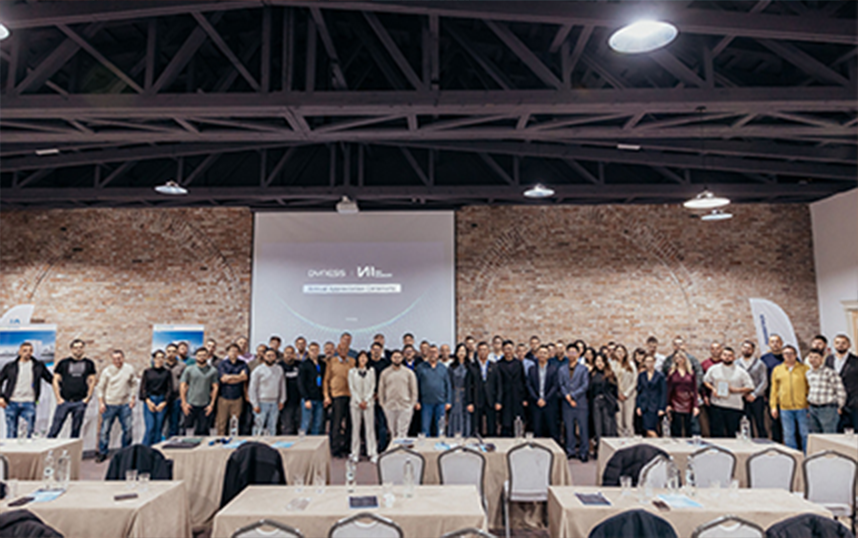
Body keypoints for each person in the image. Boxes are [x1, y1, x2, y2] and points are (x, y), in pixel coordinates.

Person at [0, 342, 53, 438]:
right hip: (11, 402)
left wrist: (67, 385)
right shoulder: (10, 366)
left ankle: (26, 453)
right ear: (19, 352)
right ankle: (11, 453)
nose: (28, 353)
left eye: (30, 351)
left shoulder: (38, 366)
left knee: (29, 433)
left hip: (29, 402)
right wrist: (1, 397)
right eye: (25, 350)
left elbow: (51, 379)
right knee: (11, 432)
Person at [49, 339, 96, 439]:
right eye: (75, 348)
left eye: (80, 347)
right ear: (71, 349)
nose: (78, 350)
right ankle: (47, 450)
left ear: (83, 349)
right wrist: (58, 398)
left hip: (80, 402)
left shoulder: (89, 363)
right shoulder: (63, 363)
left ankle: (73, 454)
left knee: (76, 430)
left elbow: (92, 381)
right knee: (55, 429)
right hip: (64, 401)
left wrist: (87, 398)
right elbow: (55, 380)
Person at [96, 349, 137, 462]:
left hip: (125, 405)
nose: (117, 361)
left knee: (128, 430)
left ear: (123, 358)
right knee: (105, 431)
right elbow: (100, 388)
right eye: (114, 359)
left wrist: (132, 399)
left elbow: (134, 384)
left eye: (119, 358)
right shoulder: (107, 371)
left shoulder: (129, 369)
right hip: (109, 404)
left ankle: (126, 453)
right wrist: (101, 403)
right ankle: (102, 452)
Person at [703, 347, 753, 438]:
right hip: (717, 405)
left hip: (734, 406)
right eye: (725, 355)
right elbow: (706, 381)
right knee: (716, 432)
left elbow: (750, 386)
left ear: (734, 357)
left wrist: (736, 390)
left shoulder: (741, 371)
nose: (727, 357)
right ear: (721, 356)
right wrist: (713, 389)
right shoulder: (713, 369)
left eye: (730, 356)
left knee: (732, 433)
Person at [770, 345, 809, 452]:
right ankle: (793, 457)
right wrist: (773, 406)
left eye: (791, 353)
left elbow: (809, 387)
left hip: (802, 407)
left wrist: (809, 403)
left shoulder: (804, 369)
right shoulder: (777, 370)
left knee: (805, 434)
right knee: (788, 434)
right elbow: (774, 390)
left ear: (796, 355)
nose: (788, 356)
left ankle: (807, 455)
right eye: (786, 354)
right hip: (785, 408)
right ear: (783, 356)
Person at [378, 350, 418, 438]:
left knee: (402, 432)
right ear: (391, 358)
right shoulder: (385, 373)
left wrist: (412, 404)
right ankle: (394, 450)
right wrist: (382, 404)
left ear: (402, 358)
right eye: (395, 357)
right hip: (390, 406)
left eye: (399, 357)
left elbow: (414, 390)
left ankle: (401, 451)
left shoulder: (409, 373)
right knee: (393, 432)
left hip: (405, 406)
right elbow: (381, 390)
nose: (397, 359)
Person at [559, 343, 590, 461]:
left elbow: (585, 385)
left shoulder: (583, 369)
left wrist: (573, 396)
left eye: (574, 352)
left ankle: (583, 452)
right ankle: (570, 450)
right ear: (567, 354)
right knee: (569, 428)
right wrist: (567, 396)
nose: (571, 355)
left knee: (583, 429)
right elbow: (561, 384)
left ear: (578, 354)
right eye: (569, 352)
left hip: (580, 403)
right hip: (566, 404)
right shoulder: (562, 369)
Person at [323, 342, 354, 457]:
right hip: (337, 395)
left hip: (351, 395)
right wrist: (326, 395)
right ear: (337, 350)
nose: (343, 351)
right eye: (340, 349)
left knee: (350, 424)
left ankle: (346, 447)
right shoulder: (332, 362)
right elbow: (326, 380)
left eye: (345, 349)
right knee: (336, 423)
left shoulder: (352, 362)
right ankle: (335, 449)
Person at [806, 349, 846, 434]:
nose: (813, 360)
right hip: (813, 408)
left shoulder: (830, 373)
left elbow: (840, 391)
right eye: (811, 357)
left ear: (822, 359)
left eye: (816, 357)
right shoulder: (808, 373)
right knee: (816, 435)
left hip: (828, 409)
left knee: (829, 436)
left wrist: (840, 406)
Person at [180, 347, 219, 435]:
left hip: (205, 406)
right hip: (190, 405)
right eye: (199, 355)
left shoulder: (213, 371)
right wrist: (184, 403)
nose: (201, 357)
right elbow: (183, 386)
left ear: (208, 356)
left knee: (203, 431)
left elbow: (215, 388)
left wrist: (211, 405)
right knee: (187, 431)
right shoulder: (189, 369)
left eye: (204, 355)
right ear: (195, 357)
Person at [415, 345, 452, 437]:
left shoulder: (443, 368)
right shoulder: (420, 367)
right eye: (430, 352)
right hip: (425, 403)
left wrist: (448, 401)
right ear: (427, 353)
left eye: (435, 352)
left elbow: (448, 385)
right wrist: (417, 401)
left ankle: (440, 447)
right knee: (425, 428)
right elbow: (416, 385)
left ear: (438, 354)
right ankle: (426, 449)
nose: (433, 354)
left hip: (441, 403)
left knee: (441, 428)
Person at [249, 347, 286, 436]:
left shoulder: (279, 369)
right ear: (264, 357)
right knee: (258, 426)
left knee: (272, 427)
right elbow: (252, 388)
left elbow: (282, 386)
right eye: (268, 355)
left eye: (272, 356)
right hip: (261, 402)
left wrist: (282, 400)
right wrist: (254, 404)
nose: (270, 357)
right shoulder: (258, 370)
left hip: (275, 403)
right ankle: (256, 445)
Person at [526, 345, 560, 442]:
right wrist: (537, 399)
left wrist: (545, 399)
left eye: (545, 353)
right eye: (540, 353)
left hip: (550, 404)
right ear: (536, 355)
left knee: (552, 430)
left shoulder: (553, 369)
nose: (542, 355)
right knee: (536, 430)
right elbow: (529, 386)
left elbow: (555, 386)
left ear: (549, 355)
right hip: (535, 404)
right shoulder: (531, 369)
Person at [348, 351, 377, 462]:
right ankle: (355, 453)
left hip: (368, 404)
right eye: (361, 357)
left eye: (365, 357)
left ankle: (372, 452)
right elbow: (351, 388)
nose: (363, 359)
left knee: (370, 429)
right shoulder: (352, 372)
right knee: (356, 429)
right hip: (355, 403)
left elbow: (372, 386)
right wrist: (359, 400)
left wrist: (366, 400)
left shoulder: (371, 371)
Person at [140, 350, 173, 446]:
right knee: (150, 427)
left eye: (162, 357)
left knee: (159, 428)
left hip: (162, 401)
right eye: (158, 358)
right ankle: (144, 450)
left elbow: (169, 389)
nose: (160, 360)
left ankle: (156, 451)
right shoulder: (147, 372)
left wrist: (164, 402)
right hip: (150, 400)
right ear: (154, 359)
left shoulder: (167, 372)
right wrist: (148, 402)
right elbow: (143, 388)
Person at [826, 334, 858, 432]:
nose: (840, 345)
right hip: (835, 403)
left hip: (853, 402)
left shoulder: (855, 361)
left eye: (843, 343)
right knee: (837, 431)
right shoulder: (829, 360)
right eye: (837, 343)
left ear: (849, 345)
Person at [736, 340, 768, 438]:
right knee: (744, 423)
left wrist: (754, 394)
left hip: (756, 398)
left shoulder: (759, 364)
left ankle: (764, 443)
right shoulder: (736, 363)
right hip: (741, 398)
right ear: (741, 349)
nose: (746, 350)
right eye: (744, 347)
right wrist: (743, 393)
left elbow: (764, 381)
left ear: (753, 350)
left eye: (749, 348)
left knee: (760, 423)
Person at [469, 341, 501, 437]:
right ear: (477, 352)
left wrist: (498, 401)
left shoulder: (494, 366)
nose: (482, 352)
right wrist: (469, 402)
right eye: (480, 350)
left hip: (491, 399)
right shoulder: (472, 366)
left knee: (492, 425)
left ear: (488, 351)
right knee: (477, 426)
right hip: (477, 399)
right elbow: (468, 386)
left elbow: (499, 385)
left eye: (484, 350)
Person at [215, 343, 249, 435]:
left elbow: (245, 377)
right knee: (222, 423)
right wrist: (238, 377)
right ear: (227, 352)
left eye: (236, 351)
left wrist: (230, 377)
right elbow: (223, 379)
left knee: (235, 423)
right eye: (231, 351)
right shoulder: (222, 364)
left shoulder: (242, 364)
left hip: (237, 397)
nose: (233, 353)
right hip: (224, 397)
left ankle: (233, 442)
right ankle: (220, 442)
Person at [588, 353, 618, 451]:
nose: (599, 363)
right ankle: (599, 450)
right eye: (597, 361)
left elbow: (615, 390)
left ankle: (609, 450)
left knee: (608, 427)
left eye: (601, 361)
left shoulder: (610, 374)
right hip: (596, 403)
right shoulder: (592, 374)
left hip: (607, 403)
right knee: (598, 427)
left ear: (605, 362)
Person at [497, 340, 527, 437]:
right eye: (506, 349)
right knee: (505, 422)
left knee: (517, 421)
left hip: (517, 397)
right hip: (504, 397)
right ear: (502, 350)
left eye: (510, 348)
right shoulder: (498, 364)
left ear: (513, 350)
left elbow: (523, 381)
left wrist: (524, 398)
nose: (508, 351)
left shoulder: (518, 364)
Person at [666, 351, 697, 437]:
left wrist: (696, 406)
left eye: (680, 358)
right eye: (676, 358)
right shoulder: (671, 372)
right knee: (676, 426)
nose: (678, 360)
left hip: (688, 401)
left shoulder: (691, 372)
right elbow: (668, 389)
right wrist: (667, 404)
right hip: (675, 400)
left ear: (684, 359)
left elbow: (694, 389)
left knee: (688, 426)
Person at [761, 334, 785, 442]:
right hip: (772, 395)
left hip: (789, 396)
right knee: (774, 423)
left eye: (777, 341)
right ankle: (778, 445)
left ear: (782, 343)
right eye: (772, 342)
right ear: (769, 344)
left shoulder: (789, 356)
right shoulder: (764, 359)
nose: (775, 344)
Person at [298, 342, 326, 435]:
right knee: (305, 424)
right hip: (308, 399)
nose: (314, 352)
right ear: (308, 351)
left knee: (317, 424)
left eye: (316, 350)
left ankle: (315, 446)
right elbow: (301, 383)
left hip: (319, 399)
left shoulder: (323, 364)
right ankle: (302, 445)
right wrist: (306, 398)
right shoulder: (304, 365)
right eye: (312, 350)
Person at [636, 355, 666, 437]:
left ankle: (657, 443)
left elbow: (663, 392)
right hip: (644, 405)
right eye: (647, 362)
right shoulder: (641, 375)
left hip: (655, 405)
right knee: (646, 429)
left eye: (650, 361)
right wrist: (638, 406)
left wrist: (662, 408)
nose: (649, 364)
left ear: (654, 362)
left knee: (653, 428)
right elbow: (639, 391)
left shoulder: (660, 376)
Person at [447, 344, 473, 437]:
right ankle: (454, 434)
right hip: (455, 392)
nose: (461, 353)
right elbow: (449, 382)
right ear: (456, 353)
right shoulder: (451, 366)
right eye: (459, 351)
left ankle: (466, 434)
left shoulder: (470, 366)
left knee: (466, 414)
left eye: (463, 351)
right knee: (455, 413)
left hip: (466, 393)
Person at [369, 342, 390, 452]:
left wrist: (380, 394)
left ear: (381, 351)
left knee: (382, 424)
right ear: (371, 350)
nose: (376, 351)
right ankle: (370, 448)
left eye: (378, 349)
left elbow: (388, 381)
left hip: (383, 398)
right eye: (374, 349)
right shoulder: (367, 363)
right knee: (369, 425)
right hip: (368, 397)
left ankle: (382, 447)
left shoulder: (386, 363)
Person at [612, 345, 636, 437]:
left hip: (629, 396)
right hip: (616, 396)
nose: (620, 353)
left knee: (628, 421)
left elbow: (634, 381)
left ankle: (631, 439)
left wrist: (626, 393)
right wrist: (618, 393)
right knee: (618, 420)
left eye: (622, 351)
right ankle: (621, 439)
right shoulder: (611, 365)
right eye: (618, 351)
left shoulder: (631, 365)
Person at [163, 343, 186, 438]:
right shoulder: (161, 365)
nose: (171, 354)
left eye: (173, 352)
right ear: (166, 352)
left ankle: (173, 445)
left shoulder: (182, 366)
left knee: (175, 423)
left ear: (177, 353)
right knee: (162, 424)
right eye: (169, 351)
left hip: (176, 398)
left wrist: (182, 398)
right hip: (163, 399)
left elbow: (185, 383)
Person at [278, 346, 301, 435]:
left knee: (299, 425)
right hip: (285, 401)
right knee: (287, 426)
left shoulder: (299, 365)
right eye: (287, 353)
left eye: (291, 353)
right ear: (283, 354)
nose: (289, 355)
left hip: (299, 399)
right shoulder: (279, 366)